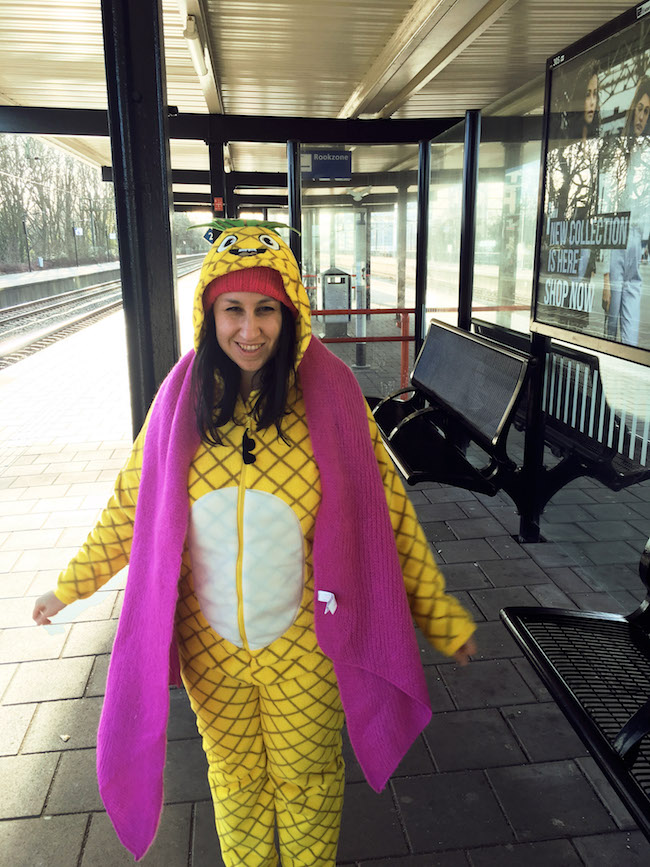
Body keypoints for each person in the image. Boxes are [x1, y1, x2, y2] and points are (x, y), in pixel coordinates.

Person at [32, 220, 477, 867]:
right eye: (232, 309)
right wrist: (67, 586)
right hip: (212, 653)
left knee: (309, 786)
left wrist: (442, 617)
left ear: (288, 312)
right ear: (209, 312)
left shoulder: (335, 400)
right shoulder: (176, 406)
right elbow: (130, 509)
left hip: (306, 648)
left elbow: (392, 516)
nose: (249, 328)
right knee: (236, 784)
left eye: (266, 309)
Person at [545, 63, 601, 331]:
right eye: (588, 94)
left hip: (584, 233)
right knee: (564, 306)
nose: (592, 101)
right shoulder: (563, 148)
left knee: (578, 310)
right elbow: (555, 197)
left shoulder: (599, 147)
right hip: (567, 234)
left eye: (595, 94)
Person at [602, 76, 650, 346]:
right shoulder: (620, 151)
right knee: (610, 325)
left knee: (629, 336)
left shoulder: (648, 153)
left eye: (647, 111)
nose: (642, 116)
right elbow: (609, 207)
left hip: (638, 246)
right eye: (639, 109)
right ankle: (602, 386)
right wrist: (606, 275)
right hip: (618, 240)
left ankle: (624, 383)